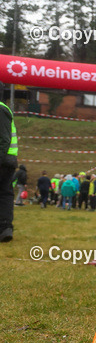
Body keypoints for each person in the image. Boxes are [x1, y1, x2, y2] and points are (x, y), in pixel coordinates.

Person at [0, 101, 16, 242]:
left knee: (4, 194)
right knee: (5, 193)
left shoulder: (0, 109)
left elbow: (4, 139)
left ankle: (5, 228)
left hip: (3, 159)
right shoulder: (3, 108)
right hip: (8, 159)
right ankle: (5, 228)